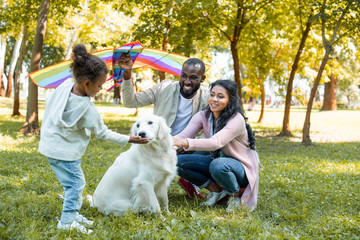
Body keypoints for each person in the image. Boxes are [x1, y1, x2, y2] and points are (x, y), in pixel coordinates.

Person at [38, 44, 149, 234]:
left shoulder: (65, 86)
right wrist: (130, 139)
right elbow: (104, 133)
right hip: (65, 154)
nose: (101, 89)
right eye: (99, 85)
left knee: (70, 183)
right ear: (87, 83)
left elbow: (50, 103)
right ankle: (66, 221)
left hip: (50, 147)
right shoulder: (88, 109)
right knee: (76, 184)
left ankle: (71, 213)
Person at [118, 54, 209, 198]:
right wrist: (128, 73)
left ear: (202, 79)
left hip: (185, 147)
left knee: (211, 150)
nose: (187, 81)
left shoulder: (208, 97)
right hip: (157, 144)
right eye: (184, 76)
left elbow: (215, 132)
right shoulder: (164, 88)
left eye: (193, 77)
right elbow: (130, 102)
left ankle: (191, 181)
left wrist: (190, 144)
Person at [173, 80, 260, 211]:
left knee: (218, 165)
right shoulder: (204, 115)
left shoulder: (236, 119)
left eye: (220, 96)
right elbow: (182, 136)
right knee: (175, 161)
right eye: (212, 94)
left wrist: (185, 143)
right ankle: (216, 191)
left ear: (230, 100)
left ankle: (235, 195)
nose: (214, 99)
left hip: (241, 168)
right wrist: (165, 143)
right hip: (218, 161)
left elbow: (215, 142)